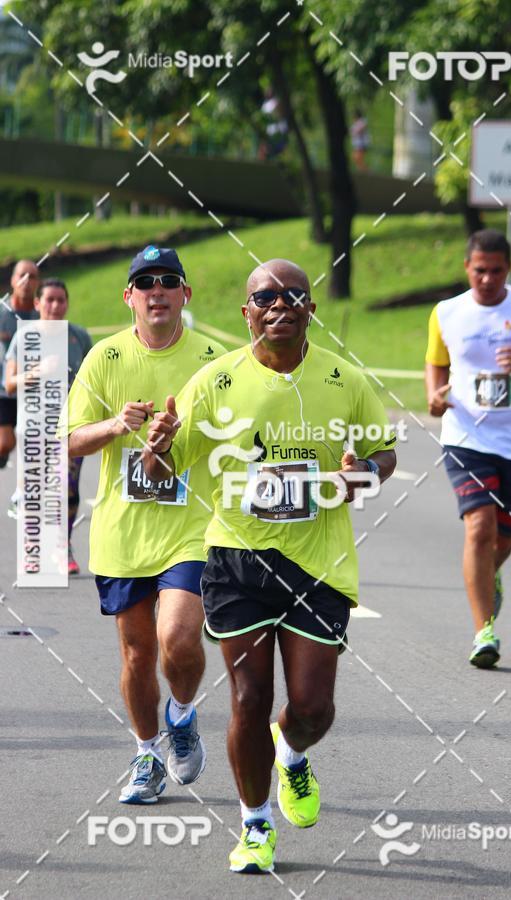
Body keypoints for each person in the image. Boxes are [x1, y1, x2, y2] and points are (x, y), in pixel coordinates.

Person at [142, 258, 397, 873]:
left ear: (311, 308)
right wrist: (158, 447)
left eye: (293, 295)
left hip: (319, 564)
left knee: (312, 709)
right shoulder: (215, 381)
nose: (279, 305)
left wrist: (364, 472)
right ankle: (255, 825)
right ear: (247, 313)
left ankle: (292, 751)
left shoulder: (344, 379)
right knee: (249, 697)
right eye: (265, 298)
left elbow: (383, 453)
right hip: (238, 560)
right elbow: (159, 473)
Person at [62, 246, 225, 803]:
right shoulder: (104, 357)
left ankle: (181, 713)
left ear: (185, 294)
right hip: (123, 532)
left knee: (177, 638)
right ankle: (147, 754)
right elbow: (69, 440)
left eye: (168, 280)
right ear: (128, 296)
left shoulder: (213, 359)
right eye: (146, 282)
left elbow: (243, 428)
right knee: (137, 655)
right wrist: (114, 425)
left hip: (191, 527)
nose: (158, 290)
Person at [425, 229, 511, 668]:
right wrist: (434, 396)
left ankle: (489, 574)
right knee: (479, 528)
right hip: (467, 437)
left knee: (502, 537)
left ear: (508, 269)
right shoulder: (447, 312)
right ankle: (485, 631)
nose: (487, 279)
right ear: (467, 267)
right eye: (479, 270)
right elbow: (436, 362)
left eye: (496, 271)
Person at [4, 278, 92, 574]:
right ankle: (33, 550)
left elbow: (94, 379)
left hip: (70, 427)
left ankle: (62, 547)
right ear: (37, 303)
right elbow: (9, 383)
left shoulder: (79, 336)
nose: (55, 305)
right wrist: (38, 372)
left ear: (67, 303)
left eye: (60, 300)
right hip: (33, 427)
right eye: (49, 300)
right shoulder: (24, 338)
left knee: (67, 489)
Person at [0, 260, 40, 470]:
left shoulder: (42, 314)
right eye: (21, 275)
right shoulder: (2, 311)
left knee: (34, 449)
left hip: (34, 391)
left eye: (32, 276)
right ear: (12, 280)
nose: (26, 281)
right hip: (4, 391)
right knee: (5, 443)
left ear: (38, 283)